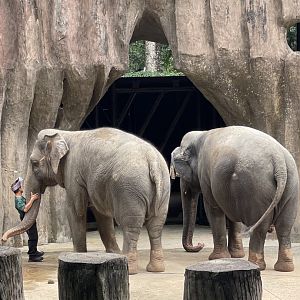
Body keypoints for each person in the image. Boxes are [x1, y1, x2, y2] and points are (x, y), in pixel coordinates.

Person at [11, 177, 44, 262]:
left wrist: (31, 197)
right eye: (21, 187)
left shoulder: (21, 198)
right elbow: (25, 209)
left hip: (29, 218)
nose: (22, 188)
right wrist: (32, 199)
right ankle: (32, 256)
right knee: (32, 237)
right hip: (26, 220)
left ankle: (35, 251)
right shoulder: (18, 200)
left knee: (34, 235)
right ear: (18, 189)